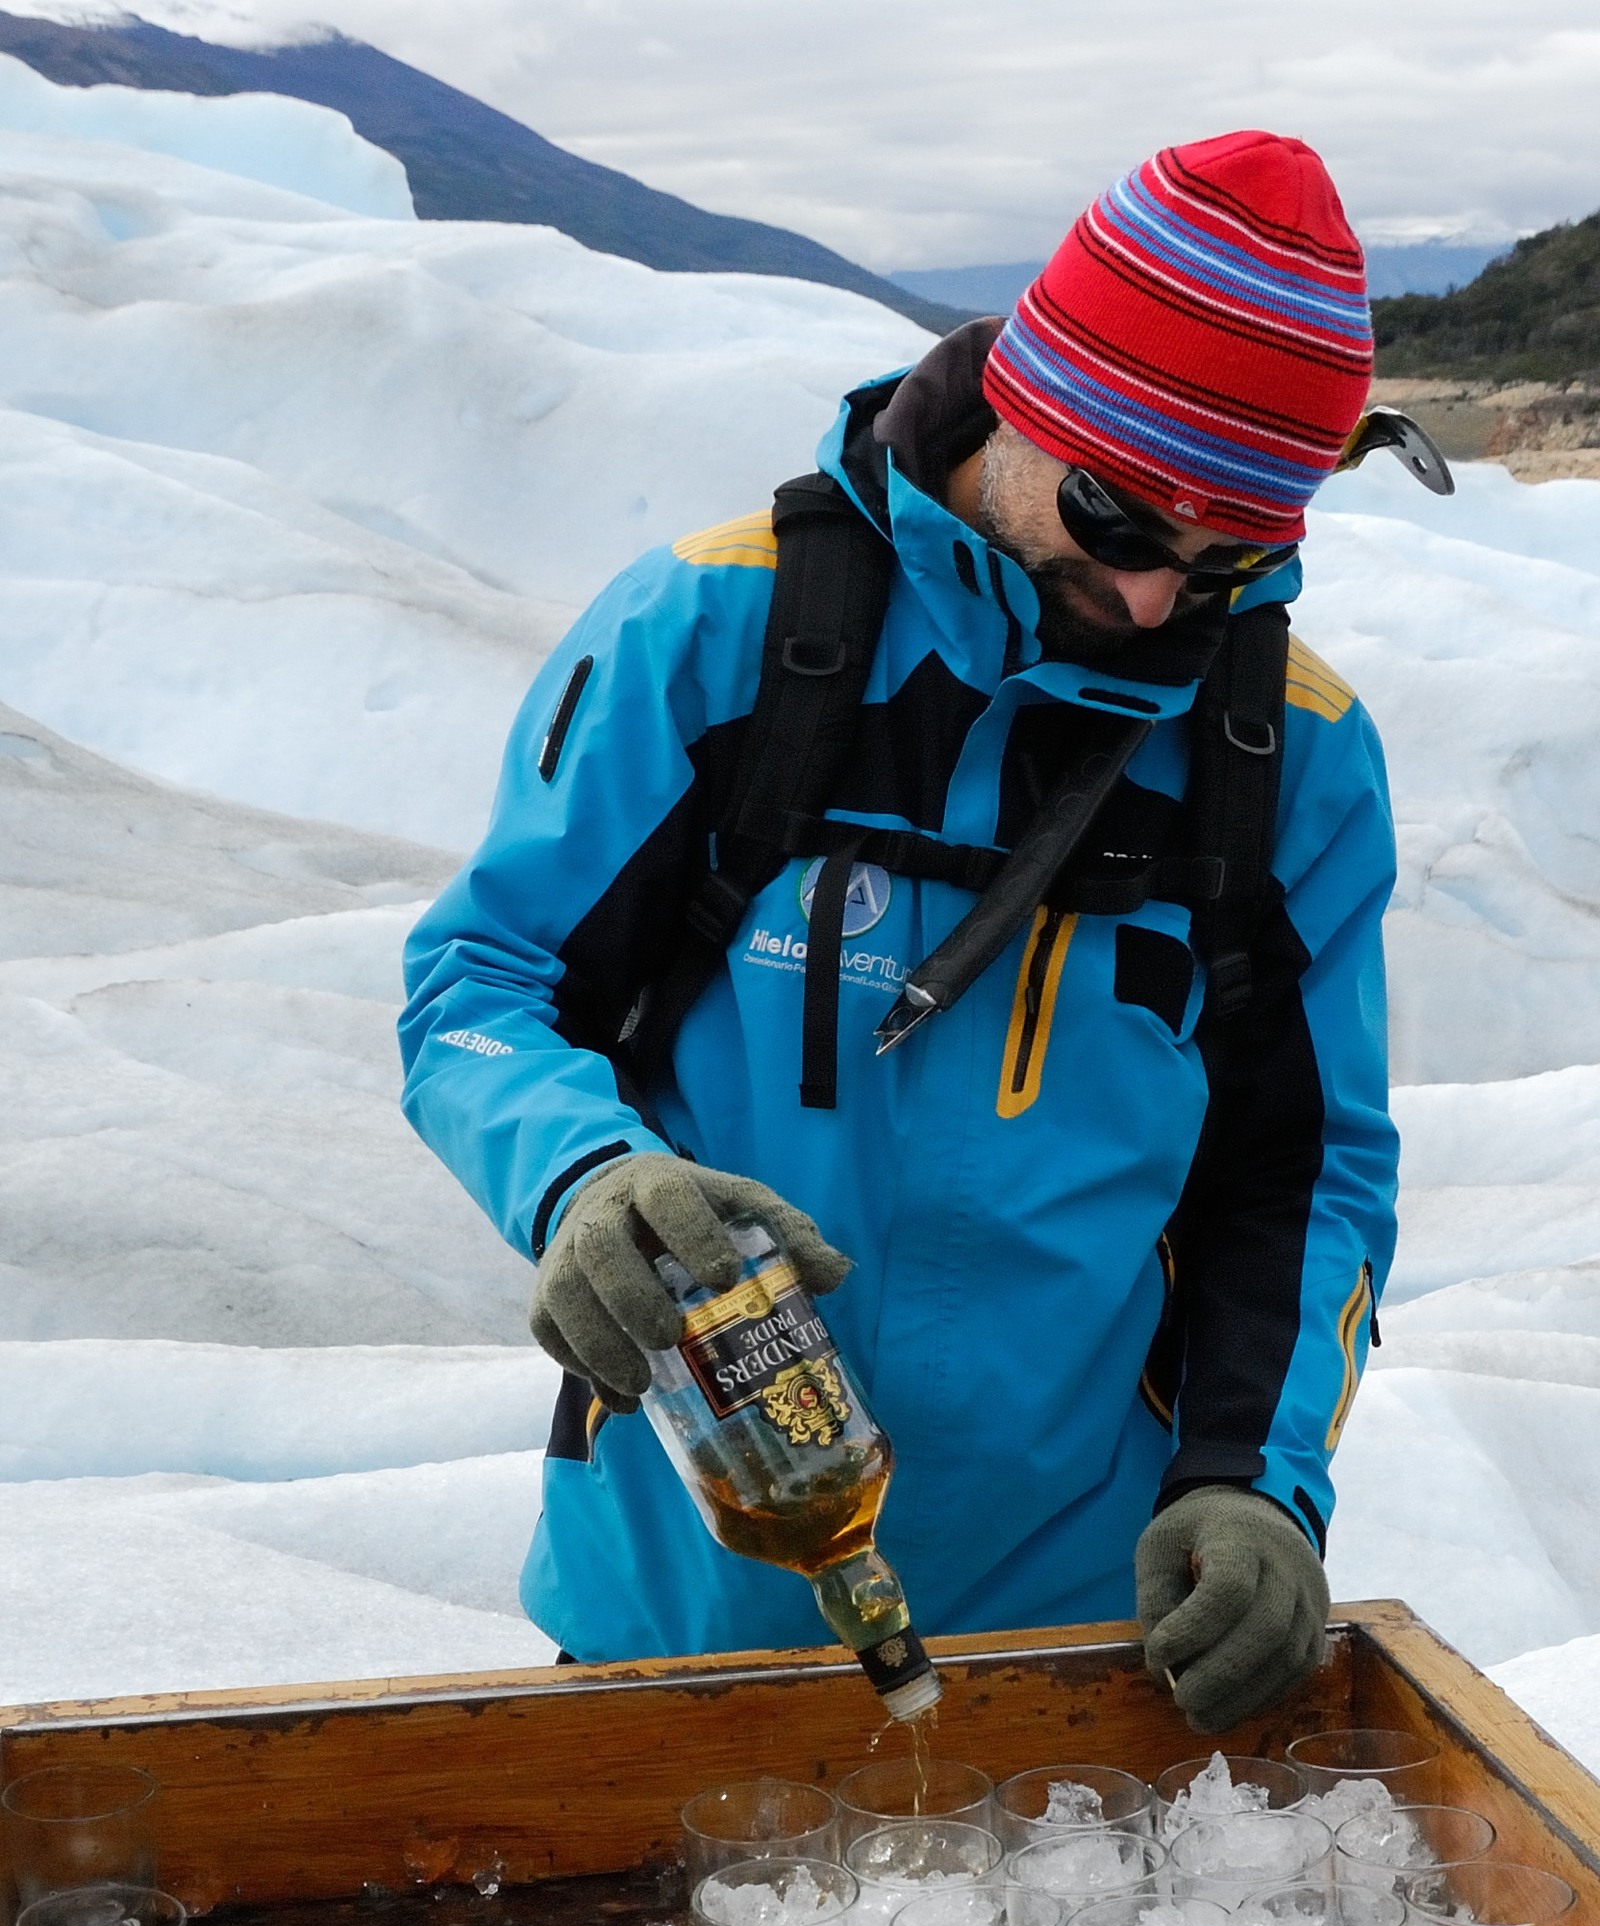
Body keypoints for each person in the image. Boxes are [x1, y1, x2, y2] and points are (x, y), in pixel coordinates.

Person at [399, 129, 1400, 1732]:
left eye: (1229, 561)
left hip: (1083, 1638)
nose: (1155, 602)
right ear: (1025, 397)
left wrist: (1255, 1482)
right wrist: (586, 1177)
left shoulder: (1287, 752)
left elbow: (1303, 1169)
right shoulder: (724, 633)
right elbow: (480, 984)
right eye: (1121, 520)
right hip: (683, 1604)